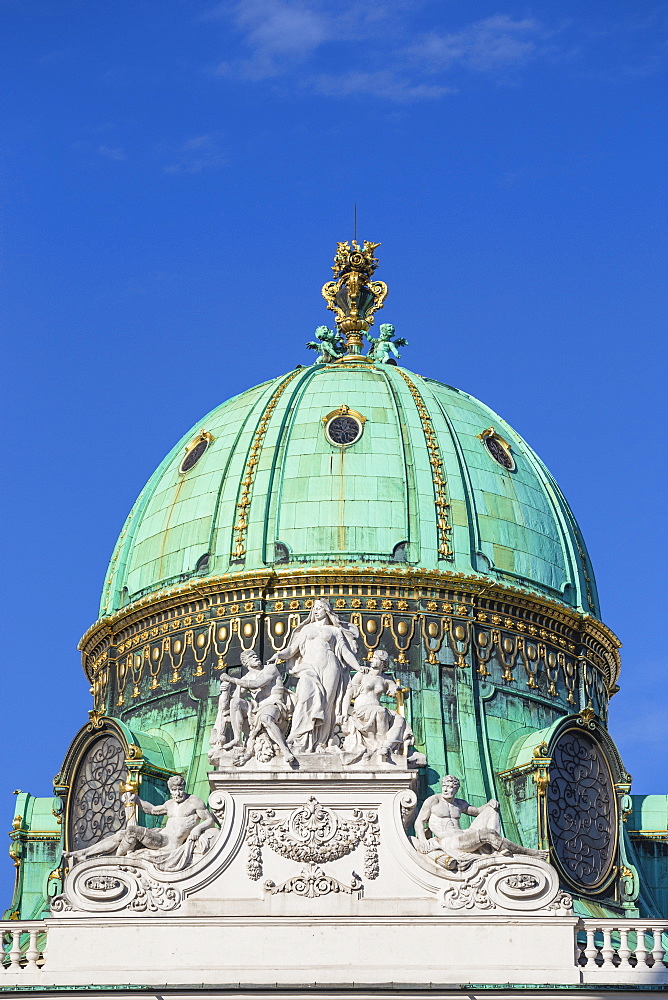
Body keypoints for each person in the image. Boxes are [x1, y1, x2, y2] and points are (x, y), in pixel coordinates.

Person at [64, 775, 215, 872]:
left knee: (132, 831)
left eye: (180, 789)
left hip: (168, 843)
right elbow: (153, 810)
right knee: (121, 834)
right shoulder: (170, 804)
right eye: (174, 790)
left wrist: (198, 829)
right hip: (160, 836)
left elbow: (210, 820)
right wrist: (137, 800)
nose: (177, 793)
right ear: (170, 790)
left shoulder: (194, 801)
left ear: (184, 788)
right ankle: (84, 853)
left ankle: (115, 860)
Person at [268, 598, 361, 752]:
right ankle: (299, 738)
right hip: (308, 669)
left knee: (327, 705)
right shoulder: (306, 629)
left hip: (331, 667)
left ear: (326, 610)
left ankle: (320, 743)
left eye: (319, 607)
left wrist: (358, 667)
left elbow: (345, 652)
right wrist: (278, 655)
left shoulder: (335, 631)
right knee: (304, 698)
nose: (316, 610)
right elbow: (292, 650)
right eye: (314, 608)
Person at [414, 774, 548, 869]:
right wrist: (423, 840)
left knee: (491, 810)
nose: (446, 789)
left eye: (450, 787)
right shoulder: (434, 801)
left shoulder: (459, 803)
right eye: (444, 786)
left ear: (456, 790)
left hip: (462, 835)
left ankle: (494, 848)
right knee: (488, 834)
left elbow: (478, 811)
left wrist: (490, 804)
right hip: (450, 841)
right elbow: (419, 822)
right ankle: (529, 853)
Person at [219, 651, 296, 766]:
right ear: (246, 663)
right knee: (236, 702)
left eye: (255, 655)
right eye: (251, 657)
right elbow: (233, 702)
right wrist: (226, 691)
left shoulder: (270, 668)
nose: (255, 657)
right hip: (257, 708)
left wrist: (231, 680)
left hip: (274, 705)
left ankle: (285, 749)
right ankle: (237, 739)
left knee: (265, 718)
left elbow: (257, 683)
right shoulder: (246, 678)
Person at [341, 650, 413, 760]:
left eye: (375, 658)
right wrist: (344, 713)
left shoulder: (385, 680)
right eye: (373, 657)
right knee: (381, 711)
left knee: (400, 720)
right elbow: (349, 694)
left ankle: (386, 746)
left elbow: (403, 693)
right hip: (361, 710)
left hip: (377, 709)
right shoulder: (362, 674)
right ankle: (381, 746)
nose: (371, 660)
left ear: (383, 663)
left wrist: (396, 689)